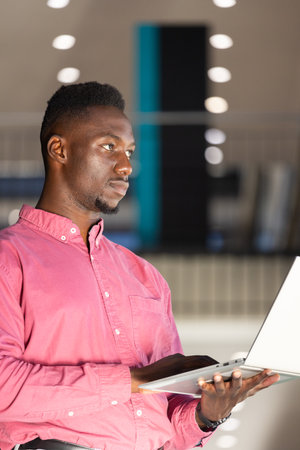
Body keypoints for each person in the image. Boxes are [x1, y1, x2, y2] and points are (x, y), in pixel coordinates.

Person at [0, 82, 279, 450]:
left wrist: (208, 413)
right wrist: (135, 379)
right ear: (59, 149)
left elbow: (165, 420)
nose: (126, 165)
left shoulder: (145, 277)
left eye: (129, 151)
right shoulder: (10, 258)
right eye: (109, 147)